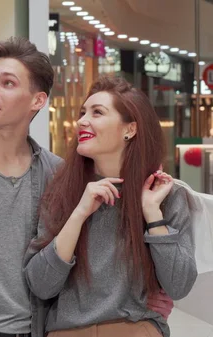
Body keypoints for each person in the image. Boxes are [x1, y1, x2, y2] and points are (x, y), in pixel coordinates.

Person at [0, 37, 174, 337]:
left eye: (7, 83)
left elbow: (81, 263)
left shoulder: (58, 174)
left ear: (38, 101)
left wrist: (146, 293)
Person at [24, 76, 197, 337]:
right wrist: (79, 213)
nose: (82, 120)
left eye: (97, 112)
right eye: (82, 112)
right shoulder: (62, 193)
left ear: (130, 129)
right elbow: (41, 285)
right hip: (68, 332)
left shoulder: (166, 196)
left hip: (136, 330)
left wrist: (152, 214)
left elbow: (179, 285)